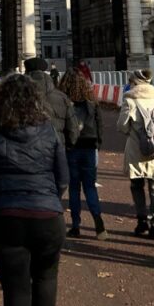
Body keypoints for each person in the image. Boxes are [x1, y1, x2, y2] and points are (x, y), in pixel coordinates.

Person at [0, 73, 68, 306]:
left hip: (4, 217)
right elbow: (63, 177)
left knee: (16, 290)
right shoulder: (49, 130)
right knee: (46, 280)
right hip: (47, 216)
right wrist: (49, 201)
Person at [116, 68, 154, 239]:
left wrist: (133, 131)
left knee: (136, 186)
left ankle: (142, 221)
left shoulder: (129, 100)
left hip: (136, 148)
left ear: (134, 82)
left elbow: (121, 126)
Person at [58, 68, 107, 239]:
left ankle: (76, 225)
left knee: (74, 187)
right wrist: (97, 144)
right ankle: (98, 220)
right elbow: (100, 125)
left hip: (72, 148)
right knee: (90, 186)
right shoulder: (92, 103)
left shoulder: (65, 102)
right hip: (90, 147)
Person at [24, 57, 79, 147]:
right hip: (55, 148)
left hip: (26, 151)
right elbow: (73, 128)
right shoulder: (61, 97)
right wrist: (66, 148)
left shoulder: (15, 97)